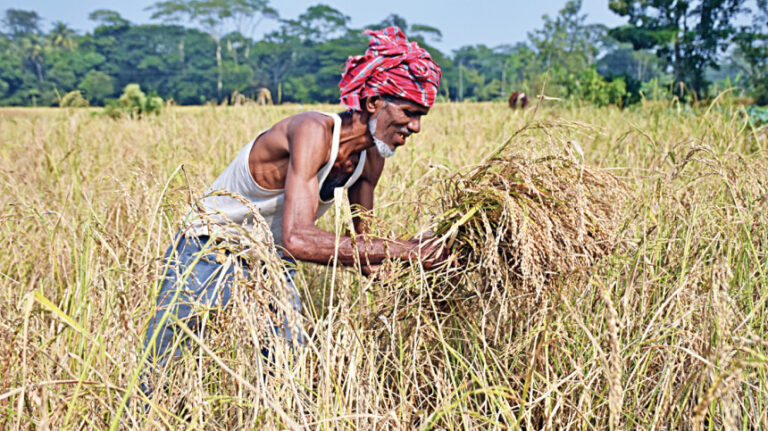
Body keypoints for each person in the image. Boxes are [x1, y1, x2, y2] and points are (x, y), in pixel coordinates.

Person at [142, 26, 447, 378]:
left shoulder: (370, 159)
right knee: (164, 368)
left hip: (270, 259)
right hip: (207, 248)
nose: (416, 126)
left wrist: (435, 259)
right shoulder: (312, 131)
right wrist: (406, 250)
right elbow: (298, 238)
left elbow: (367, 254)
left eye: (421, 115)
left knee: (287, 369)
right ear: (373, 103)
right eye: (409, 112)